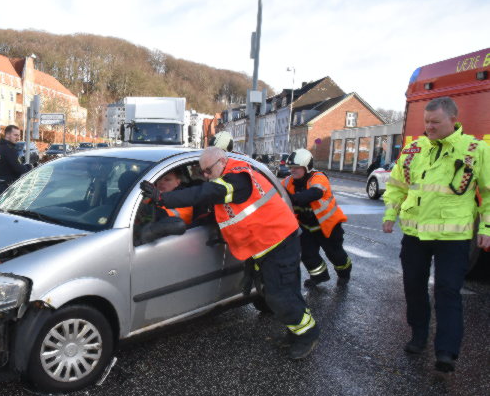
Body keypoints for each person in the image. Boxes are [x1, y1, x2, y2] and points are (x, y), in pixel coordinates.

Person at [140, 145, 320, 360]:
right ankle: (297, 331)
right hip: (266, 244)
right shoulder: (227, 176)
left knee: (278, 295)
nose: (205, 176)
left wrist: (162, 198)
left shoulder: (238, 177)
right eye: (202, 172)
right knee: (285, 292)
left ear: (222, 162)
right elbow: (222, 211)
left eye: (208, 171)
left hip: (276, 242)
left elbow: (206, 193)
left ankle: (307, 335)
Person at [382, 96, 490, 373]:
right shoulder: (414, 149)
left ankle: (446, 351)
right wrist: (390, 215)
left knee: (447, 290)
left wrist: (487, 228)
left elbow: (488, 194)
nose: (429, 127)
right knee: (413, 286)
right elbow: (396, 185)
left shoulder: (476, 150)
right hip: (415, 234)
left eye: (435, 122)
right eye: (426, 121)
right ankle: (418, 335)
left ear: (453, 120)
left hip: (453, 238)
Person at [282, 148, 351, 287]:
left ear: (307, 167)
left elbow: (314, 193)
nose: (292, 170)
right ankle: (320, 276)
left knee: (335, 254)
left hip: (328, 225)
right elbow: (275, 190)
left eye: (296, 167)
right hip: (306, 226)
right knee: (307, 255)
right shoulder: (288, 181)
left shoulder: (318, 177)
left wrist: (292, 198)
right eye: (291, 168)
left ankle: (344, 273)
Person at [0, 125, 30, 197]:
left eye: (18, 135)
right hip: (7, 186)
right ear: (7, 134)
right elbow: (18, 169)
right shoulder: (9, 150)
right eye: (15, 135)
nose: (17, 138)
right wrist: (29, 167)